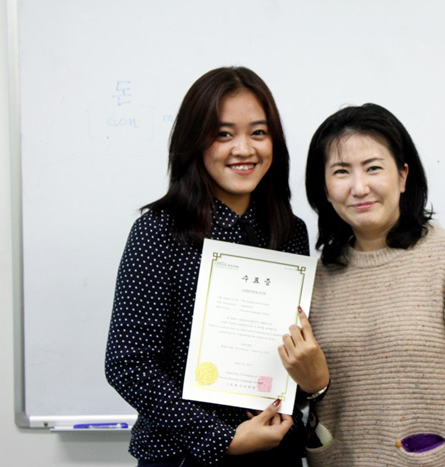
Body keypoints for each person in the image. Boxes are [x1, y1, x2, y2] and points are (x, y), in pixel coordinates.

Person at [105, 66, 327, 466]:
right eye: (223, 134)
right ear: (194, 142)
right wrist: (220, 438)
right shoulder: (158, 231)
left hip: (276, 452)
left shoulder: (289, 232)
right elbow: (128, 362)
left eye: (258, 132)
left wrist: (308, 384)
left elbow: (288, 353)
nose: (244, 149)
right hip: (183, 456)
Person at [304, 103, 445, 466]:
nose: (359, 187)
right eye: (341, 171)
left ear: (402, 177)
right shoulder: (315, 279)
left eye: (373, 168)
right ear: (324, 187)